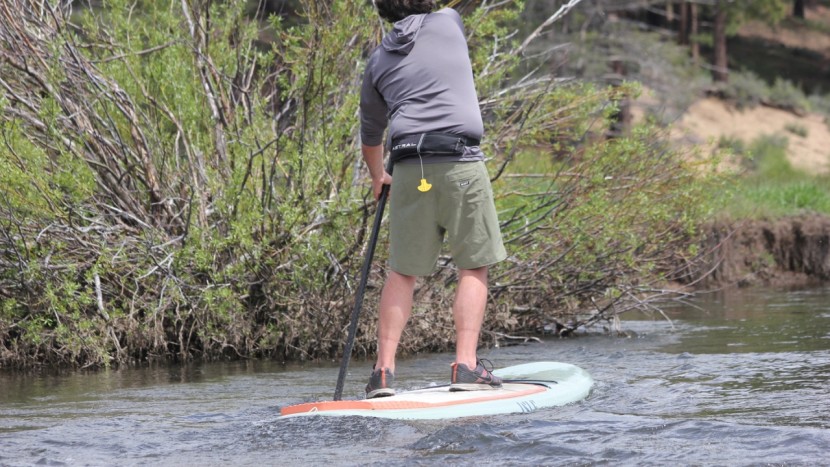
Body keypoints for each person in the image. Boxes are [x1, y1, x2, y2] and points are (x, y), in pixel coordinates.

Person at [359, 0, 507, 399]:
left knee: (402, 272)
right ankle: (466, 365)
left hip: (407, 167)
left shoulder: (377, 60)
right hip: (460, 162)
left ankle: (383, 374)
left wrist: (379, 177)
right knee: (474, 266)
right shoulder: (448, 21)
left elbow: (371, 136)